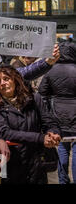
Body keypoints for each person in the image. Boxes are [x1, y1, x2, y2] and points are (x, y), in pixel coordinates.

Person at [0, 65, 61, 184]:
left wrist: (54, 132)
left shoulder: (34, 98)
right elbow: (5, 133)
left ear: (15, 80)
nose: (2, 83)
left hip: (36, 163)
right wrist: (40, 138)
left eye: (6, 78)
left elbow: (49, 121)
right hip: (10, 164)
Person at [38, 41, 76, 184]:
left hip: (58, 114)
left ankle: (63, 180)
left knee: (62, 149)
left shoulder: (51, 70)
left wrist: (48, 110)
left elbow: (42, 93)